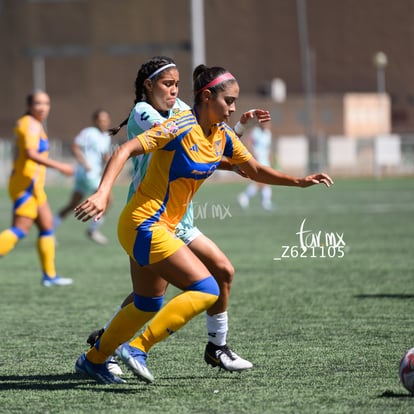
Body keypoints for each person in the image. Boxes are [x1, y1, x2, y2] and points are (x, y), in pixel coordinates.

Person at [73, 64, 333, 384]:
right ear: (207, 97)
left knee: (147, 302)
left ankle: (93, 360)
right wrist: (102, 193)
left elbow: (252, 169)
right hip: (145, 222)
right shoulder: (179, 125)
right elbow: (125, 149)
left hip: (160, 226)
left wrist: (299, 181)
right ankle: (138, 348)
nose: (234, 108)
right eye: (229, 101)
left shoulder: (222, 134)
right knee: (207, 287)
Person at [83, 57, 271, 376]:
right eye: (167, 84)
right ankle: (111, 340)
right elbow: (186, 142)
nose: (174, 90)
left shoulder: (182, 108)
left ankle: (216, 347)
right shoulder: (144, 113)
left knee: (214, 274)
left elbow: (207, 138)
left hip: (179, 214)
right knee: (158, 293)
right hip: (152, 210)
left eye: (177, 84)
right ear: (148, 86)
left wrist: (236, 128)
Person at [0, 90, 74, 286]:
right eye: (38, 103)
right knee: (20, 228)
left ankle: (49, 276)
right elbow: (31, 154)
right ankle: (49, 276)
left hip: (34, 187)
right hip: (25, 185)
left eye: (46, 103)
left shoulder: (32, 124)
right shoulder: (30, 125)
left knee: (47, 226)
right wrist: (61, 166)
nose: (43, 107)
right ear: (29, 106)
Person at [54, 109, 112, 245]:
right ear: (95, 121)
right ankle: (93, 229)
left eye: (106, 120)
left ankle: (48, 231)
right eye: (101, 120)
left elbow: (103, 155)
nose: (103, 122)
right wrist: (84, 163)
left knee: (73, 204)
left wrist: (108, 160)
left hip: (88, 175)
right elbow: (75, 146)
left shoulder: (106, 136)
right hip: (87, 174)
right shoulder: (89, 132)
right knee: (107, 199)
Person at [238, 121, 274, 210]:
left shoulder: (268, 134)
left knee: (267, 181)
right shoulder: (256, 132)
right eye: (266, 123)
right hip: (257, 161)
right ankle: (245, 197)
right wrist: (252, 155)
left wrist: (270, 159)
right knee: (261, 182)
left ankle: (265, 202)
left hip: (265, 161)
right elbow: (248, 143)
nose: (268, 125)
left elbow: (268, 148)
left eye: (269, 123)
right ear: (261, 123)